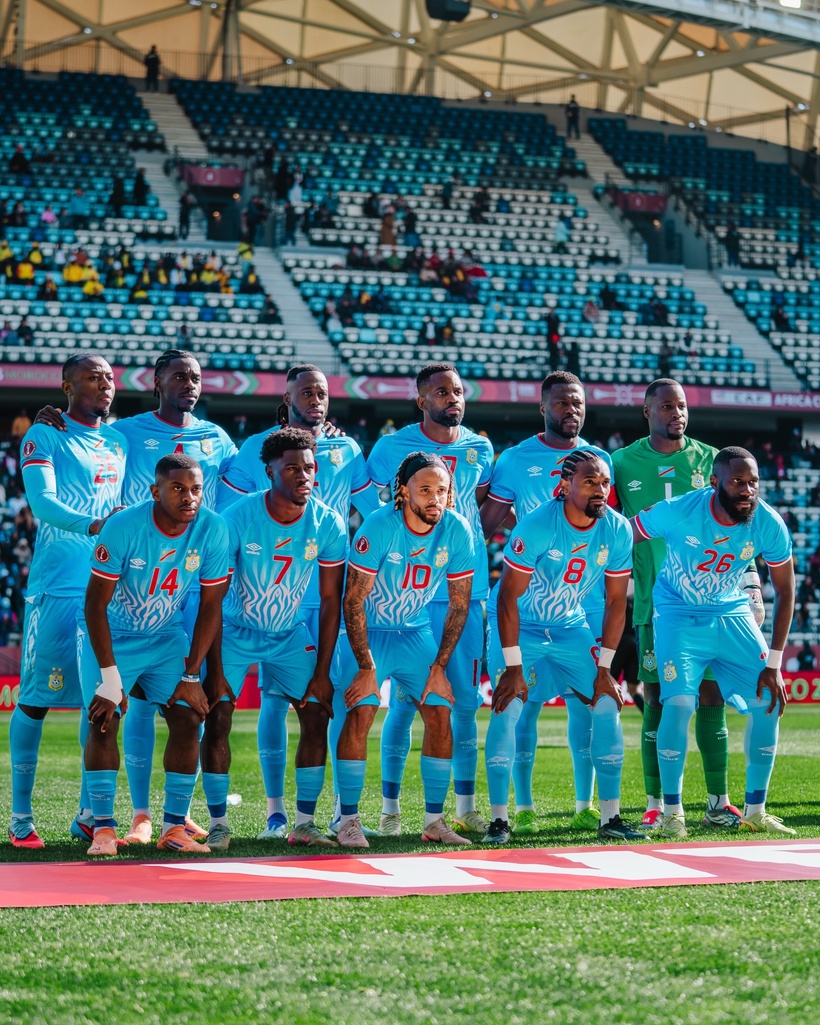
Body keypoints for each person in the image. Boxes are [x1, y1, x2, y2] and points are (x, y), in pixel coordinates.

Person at [33, 349, 238, 842]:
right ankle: (106, 816)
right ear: (156, 382)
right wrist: (55, 417)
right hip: (128, 576)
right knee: (114, 708)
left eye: (195, 376)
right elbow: (88, 431)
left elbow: (252, 473)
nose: (189, 383)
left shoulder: (217, 440)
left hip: (180, 596)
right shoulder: (124, 430)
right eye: (178, 376)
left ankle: (168, 821)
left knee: (194, 705)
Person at [218, 365, 379, 838]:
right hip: (262, 590)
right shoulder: (257, 449)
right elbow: (231, 510)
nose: (315, 398)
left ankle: (332, 814)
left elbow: (370, 509)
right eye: (305, 391)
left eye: (322, 392)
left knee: (320, 701)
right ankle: (274, 813)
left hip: (323, 585)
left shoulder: (347, 448)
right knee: (271, 702)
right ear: (286, 397)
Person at [612, 380, 761, 830]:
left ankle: (719, 802)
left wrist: (751, 584)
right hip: (658, 605)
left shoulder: (710, 460)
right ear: (646, 411)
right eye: (666, 406)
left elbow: (742, 528)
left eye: (681, 406)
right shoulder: (621, 463)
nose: (676, 413)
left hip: (717, 603)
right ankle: (657, 803)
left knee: (711, 697)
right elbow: (612, 529)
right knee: (658, 697)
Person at [631, 446, 796, 837]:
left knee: (769, 702)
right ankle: (673, 813)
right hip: (677, 615)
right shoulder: (679, 510)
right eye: (738, 481)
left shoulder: (768, 522)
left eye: (753, 482)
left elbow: (785, 591)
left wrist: (773, 664)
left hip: (731, 614)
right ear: (714, 482)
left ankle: (755, 809)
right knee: (680, 704)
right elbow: (627, 533)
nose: (747, 490)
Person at [483, 450, 643, 843]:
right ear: (565, 485)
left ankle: (610, 817)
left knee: (607, 703)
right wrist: (514, 668)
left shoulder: (618, 530)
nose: (600, 490)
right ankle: (500, 820)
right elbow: (507, 600)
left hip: (570, 626)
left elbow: (616, 603)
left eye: (605, 482)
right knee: (509, 707)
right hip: (521, 625)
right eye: (590, 482)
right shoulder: (537, 527)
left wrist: (605, 670)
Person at [480, 371, 612, 835]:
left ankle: (586, 803)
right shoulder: (515, 460)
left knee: (587, 706)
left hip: (585, 602)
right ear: (543, 407)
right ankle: (524, 805)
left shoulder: (598, 461)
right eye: (561, 402)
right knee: (524, 704)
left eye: (577, 402)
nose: (570, 409)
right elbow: (485, 524)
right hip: (529, 601)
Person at [366, 365, 494, 836]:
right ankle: (390, 810)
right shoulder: (390, 447)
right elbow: (373, 499)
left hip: (467, 589)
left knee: (461, 703)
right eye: (441, 391)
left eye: (458, 390)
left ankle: (461, 808)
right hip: (408, 597)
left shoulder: (480, 447)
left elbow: (482, 506)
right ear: (421, 400)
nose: (452, 397)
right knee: (403, 703)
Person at [80, 454, 229, 855]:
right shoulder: (124, 526)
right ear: (155, 491)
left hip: (164, 635)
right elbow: (94, 605)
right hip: (113, 634)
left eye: (196, 489)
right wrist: (111, 679)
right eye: (178, 488)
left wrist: (193, 674)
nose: (189, 497)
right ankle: (104, 830)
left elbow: (212, 607)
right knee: (104, 717)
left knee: (189, 713)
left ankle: (174, 829)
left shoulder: (214, 529)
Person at [206, 427, 347, 847]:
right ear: (269, 471)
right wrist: (212, 668)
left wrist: (322, 671)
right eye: (291, 468)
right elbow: (212, 599)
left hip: (288, 633)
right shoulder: (236, 517)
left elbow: (329, 601)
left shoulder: (328, 522)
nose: (303, 475)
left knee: (318, 709)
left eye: (309, 467)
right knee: (217, 716)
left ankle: (303, 824)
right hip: (234, 630)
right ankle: (218, 825)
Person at [9, 353, 127, 848]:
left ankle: (87, 812)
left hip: (107, 590)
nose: (104, 383)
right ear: (65, 386)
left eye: (108, 376)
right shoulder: (44, 436)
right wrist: (95, 525)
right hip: (57, 588)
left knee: (99, 703)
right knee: (35, 699)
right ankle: (19, 819)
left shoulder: (119, 440)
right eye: (91, 376)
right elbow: (41, 503)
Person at [334, 452, 475, 847]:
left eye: (442, 490)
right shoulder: (380, 526)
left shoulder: (458, 529)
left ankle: (433, 821)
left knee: (440, 711)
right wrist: (366, 667)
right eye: (425, 489)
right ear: (403, 491)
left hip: (414, 633)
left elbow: (459, 603)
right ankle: (347, 820)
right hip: (371, 632)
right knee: (361, 711)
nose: (435, 498)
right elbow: (353, 601)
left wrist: (440, 667)